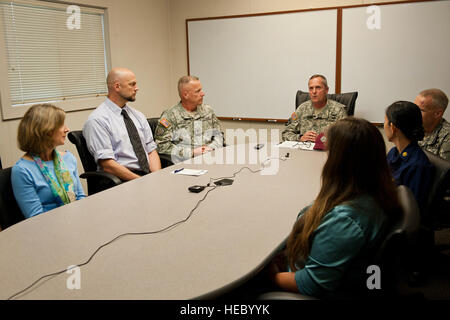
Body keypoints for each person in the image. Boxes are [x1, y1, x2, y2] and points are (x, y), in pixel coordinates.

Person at [272, 117, 401, 298]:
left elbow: (311, 283)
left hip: (296, 274)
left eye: (329, 152)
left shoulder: (344, 219)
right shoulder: (374, 190)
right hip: (312, 257)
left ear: (340, 161)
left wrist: (267, 276)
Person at [83, 68, 161, 181]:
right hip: (122, 180)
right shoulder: (98, 120)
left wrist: (156, 178)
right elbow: (108, 165)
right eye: (132, 84)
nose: (136, 88)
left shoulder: (137, 115)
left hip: (146, 176)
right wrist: (142, 181)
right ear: (117, 87)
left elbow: (151, 150)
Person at [11, 104, 86, 219]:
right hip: (48, 230)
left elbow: (80, 197)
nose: (67, 129)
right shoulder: (22, 171)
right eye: (61, 125)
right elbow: (35, 218)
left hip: (77, 220)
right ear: (46, 131)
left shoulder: (68, 158)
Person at [154, 76, 223, 162]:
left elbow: (219, 134)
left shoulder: (208, 111)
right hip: (186, 162)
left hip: (212, 157)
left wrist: (211, 148)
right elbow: (161, 146)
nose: (203, 93)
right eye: (198, 91)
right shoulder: (170, 116)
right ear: (185, 95)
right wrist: (191, 153)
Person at [384, 101, 434, 211]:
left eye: (385, 122)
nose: (384, 126)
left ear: (393, 127)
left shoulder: (418, 166)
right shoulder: (394, 152)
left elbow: (411, 209)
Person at [282, 74, 347, 142]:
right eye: (311, 88)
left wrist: (320, 139)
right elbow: (286, 133)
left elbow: (344, 138)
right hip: (304, 150)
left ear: (326, 90)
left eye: (318, 87)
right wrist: (300, 138)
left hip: (327, 151)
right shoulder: (302, 109)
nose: (314, 92)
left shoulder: (339, 110)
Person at [414, 88, 449, 161]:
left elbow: (443, 171)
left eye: (420, 110)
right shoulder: (412, 128)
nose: (414, 113)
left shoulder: (447, 137)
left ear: (437, 114)